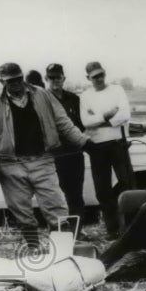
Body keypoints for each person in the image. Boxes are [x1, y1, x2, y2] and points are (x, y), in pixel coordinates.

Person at [0, 62, 90, 249]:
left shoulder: (43, 95)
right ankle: (34, 252)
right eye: (10, 80)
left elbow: (63, 122)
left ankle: (62, 253)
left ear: (22, 76)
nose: (16, 83)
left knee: (56, 206)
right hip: (11, 164)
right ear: (2, 81)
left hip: (42, 160)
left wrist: (84, 142)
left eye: (18, 78)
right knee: (21, 211)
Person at [81, 61, 134, 238]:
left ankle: (132, 227)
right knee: (102, 191)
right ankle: (112, 230)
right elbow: (85, 122)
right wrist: (107, 115)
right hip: (97, 147)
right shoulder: (85, 96)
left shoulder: (117, 90)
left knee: (127, 184)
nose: (99, 79)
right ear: (88, 78)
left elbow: (125, 114)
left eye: (101, 74)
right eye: (95, 76)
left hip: (118, 143)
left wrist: (99, 121)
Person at [44, 63, 87, 225]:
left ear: (64, 78)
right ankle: (60, 230)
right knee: (56, 195)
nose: (55, 81)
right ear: (46, 79)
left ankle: (78, 230)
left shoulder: (74, 99)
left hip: (74, 153)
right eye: (51, 78)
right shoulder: (42, 100)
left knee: (76, 193)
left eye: (58, 77)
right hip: (54, 155)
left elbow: (81, 125)